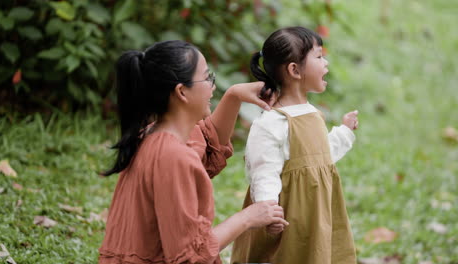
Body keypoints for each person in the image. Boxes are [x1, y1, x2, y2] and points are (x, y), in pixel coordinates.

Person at [98, 40, 289, 264]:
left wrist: (234, 95)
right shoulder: (173, 156)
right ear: (181, 92)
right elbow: (190, 257)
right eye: (208, 78)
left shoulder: (152, 134)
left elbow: (207, 143)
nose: (213, 87)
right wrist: (248, 217)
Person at [231, 26, 359, 263]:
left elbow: (320, 157)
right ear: (294, 70)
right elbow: (263, 169)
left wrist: (344, 133)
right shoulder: (271, 122)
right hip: (288, 217)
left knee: (318, 253)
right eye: (319, 56)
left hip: (317, 214)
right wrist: (268, 209)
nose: (326, 62)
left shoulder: (313, 114)